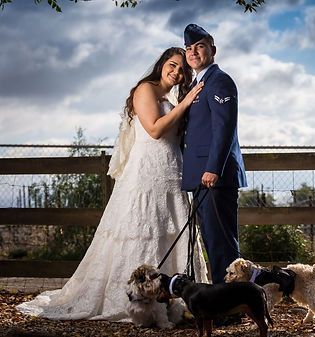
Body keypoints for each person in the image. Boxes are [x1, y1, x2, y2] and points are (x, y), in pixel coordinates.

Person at [16, 47, 208, 321]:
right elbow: (154, 129)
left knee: (172, 227)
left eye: (181, 69)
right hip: (146, 171)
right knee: (141, 226)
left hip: (171, 170)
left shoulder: (171, 96)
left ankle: (175, 296)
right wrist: (186, 103)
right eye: (173, 65)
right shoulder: (146, 90)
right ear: (162, 63)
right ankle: (136, 299)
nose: (176, 72)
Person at [181, 24, 247, 285]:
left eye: (199, 46)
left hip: (214, 176)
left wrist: (213, 168)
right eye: (189, 48)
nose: (193, 52)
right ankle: (226, 303)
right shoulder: (198, 83)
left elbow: (224, 128)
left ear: (212, 49)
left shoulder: (220, 81)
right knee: (213, 241)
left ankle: (231, 305)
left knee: (222, 245)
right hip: (202, 175)